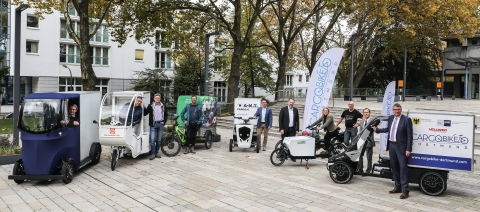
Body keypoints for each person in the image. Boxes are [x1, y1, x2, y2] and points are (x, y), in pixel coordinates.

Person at [372, 103, 412, 199]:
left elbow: (410, 136)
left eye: (398, 109)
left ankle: (405, 190)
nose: (397, 111)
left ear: (401, 110)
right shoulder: (390, 118)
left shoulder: (406, 120)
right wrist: (377, 130)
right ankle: (397, 187)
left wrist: (408, 149)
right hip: (391, 146)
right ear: (393, 110)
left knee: (403, 168)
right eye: (395, 109)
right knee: (394, 167)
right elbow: (388, 129)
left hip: (401, 147)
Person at [144, 94, 167, 160]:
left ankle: (156, 152)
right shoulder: (151, 105)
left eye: (158, 98)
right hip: (153, 124)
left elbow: (166, 114)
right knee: (152, 140)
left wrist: (164, 122)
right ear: (154, 98)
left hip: (160, 124)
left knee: (159, 140)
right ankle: (153, 153)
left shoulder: (163, 105)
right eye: (156, 98)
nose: (157, 99)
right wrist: (144, 107)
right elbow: (145, 113)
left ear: (160, 99)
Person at [358, 108, 375, 173]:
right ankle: (360, 169)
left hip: (369, 141)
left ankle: (368, 170)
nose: (366, 113)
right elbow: (360, 132)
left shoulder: (372, 121)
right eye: (365, 112)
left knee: (369, 157)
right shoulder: (362, 121)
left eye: (367, 112)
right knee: (360, 155)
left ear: (369, 113)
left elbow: (373, 130)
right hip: (362, 141)